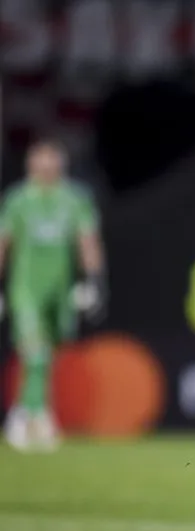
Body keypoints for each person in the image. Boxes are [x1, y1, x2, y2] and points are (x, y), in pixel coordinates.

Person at [0, 138, 106, 452]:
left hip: (60, 290)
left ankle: (24, 411)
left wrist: (95, 280)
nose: (47, 169)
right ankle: (35, 418)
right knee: (35, 351)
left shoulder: (75, 199)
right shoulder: (18, 200)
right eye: (40, 163)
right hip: (26, 287)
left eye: (52, 163)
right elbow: (4, 243)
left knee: (50, 352)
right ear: (30, 165)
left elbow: (87, 239)